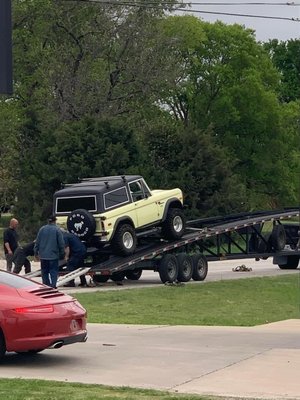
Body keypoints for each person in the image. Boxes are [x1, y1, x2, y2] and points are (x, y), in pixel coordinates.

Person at [34, 215, 65, 288]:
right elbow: (61, 243)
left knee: (44, 272)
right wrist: (62, 253)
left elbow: (37, 242)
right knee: (53, 272)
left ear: (48, 221)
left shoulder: (42, 229)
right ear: (55, 221)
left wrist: (36, 252)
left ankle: (46, 286)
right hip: (53, 256)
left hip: (43, 256)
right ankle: (53, 286)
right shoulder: (57, 230)